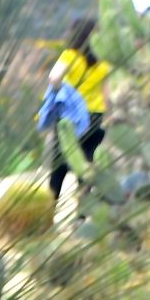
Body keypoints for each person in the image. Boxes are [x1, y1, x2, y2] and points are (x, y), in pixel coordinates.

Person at [46, 17, 110, 200]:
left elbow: (53, 78)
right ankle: (81, 215)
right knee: (87, 165)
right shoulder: (103, 62)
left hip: (70, 117)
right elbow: (107, 96)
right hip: (95, 116)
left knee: (59, 166)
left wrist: (62, 93)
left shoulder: (70, 55)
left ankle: (49, 213)